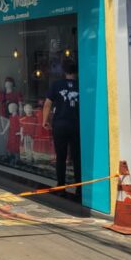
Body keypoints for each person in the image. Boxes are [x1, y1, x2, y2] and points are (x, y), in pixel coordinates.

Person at [42, 59, 80, 194]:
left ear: (64, 72)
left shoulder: (56, 85)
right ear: (76, 72)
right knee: (77, 157)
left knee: (61, 156)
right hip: (77, 125)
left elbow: (47, 104)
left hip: (59, 125)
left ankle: (61, 186)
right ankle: (80, 188)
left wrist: (44, 120)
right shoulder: (81, 85)